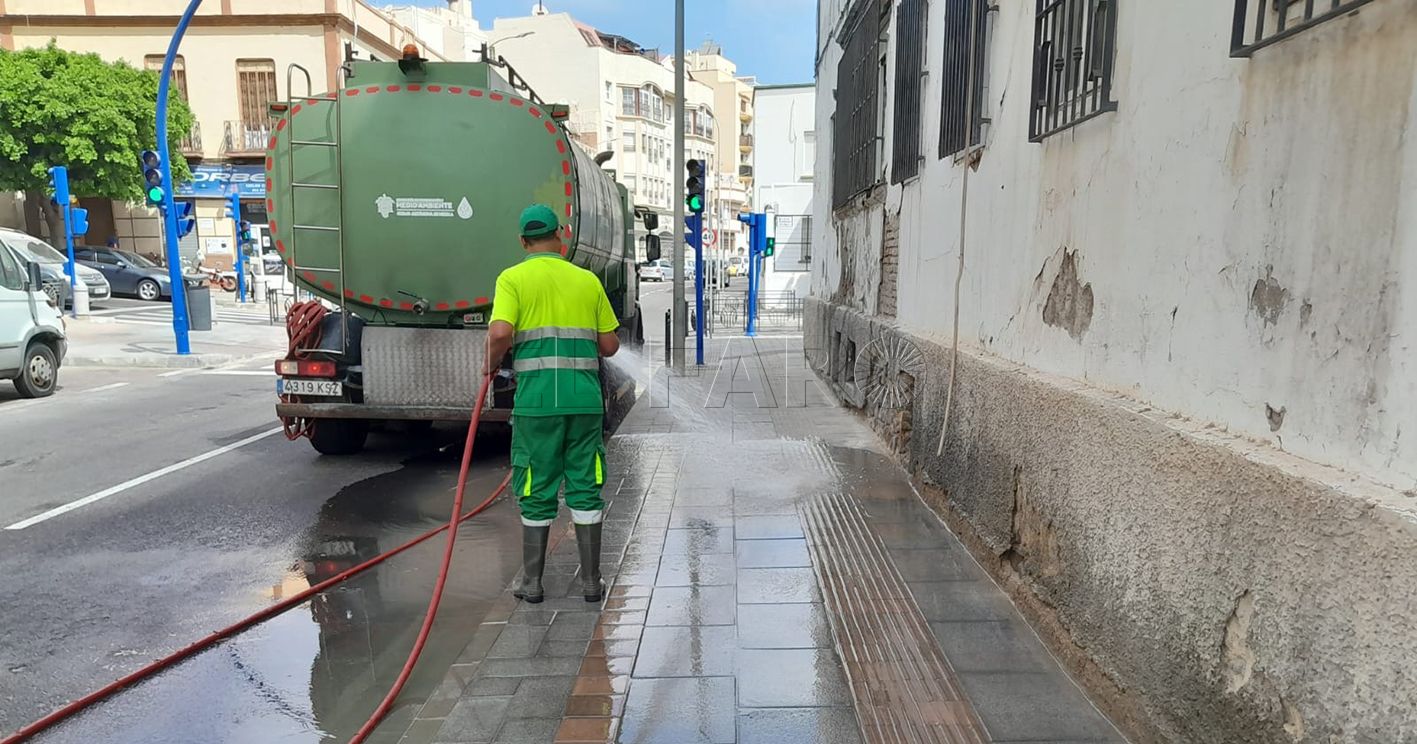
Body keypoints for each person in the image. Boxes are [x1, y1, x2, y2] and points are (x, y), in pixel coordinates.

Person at [483, 204, 620, 604]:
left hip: (537, 404)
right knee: (585, 486)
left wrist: (489, 367)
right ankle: (592, 583)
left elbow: (500, 332)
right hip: (584, 403)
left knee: (536, 488)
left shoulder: (512, 279)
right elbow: (609, 345)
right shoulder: (587, 281)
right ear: (560, 236)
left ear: (523, 241)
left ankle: (533, 583)